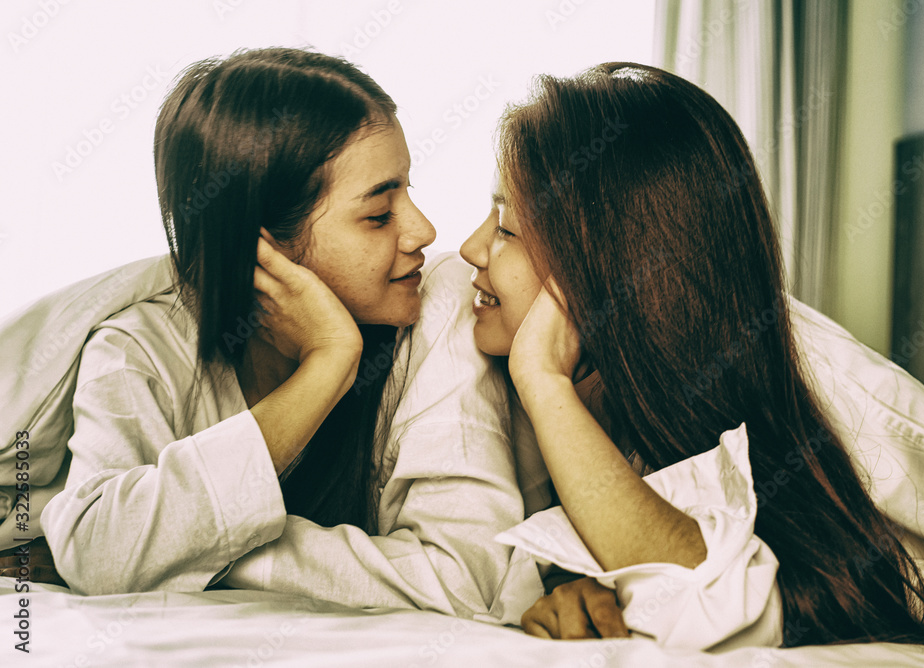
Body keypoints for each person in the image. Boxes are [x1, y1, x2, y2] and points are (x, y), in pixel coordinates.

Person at [460, 62, 924, 648]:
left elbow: (716, 593)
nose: (470, 248)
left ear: (604, 261)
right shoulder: (626, 376)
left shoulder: (803, 374)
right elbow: (688, 552)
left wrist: (542, 380)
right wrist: (585, 584)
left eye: (506, 228)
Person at [0, 48, 540, 622]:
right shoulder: (139, 348)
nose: (424, 230)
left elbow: (464, 577)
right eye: (379, 215)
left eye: (408, 191)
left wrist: (191, 552)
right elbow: (102, 552)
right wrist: (327, 365)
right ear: (263, 248)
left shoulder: (440, 302)